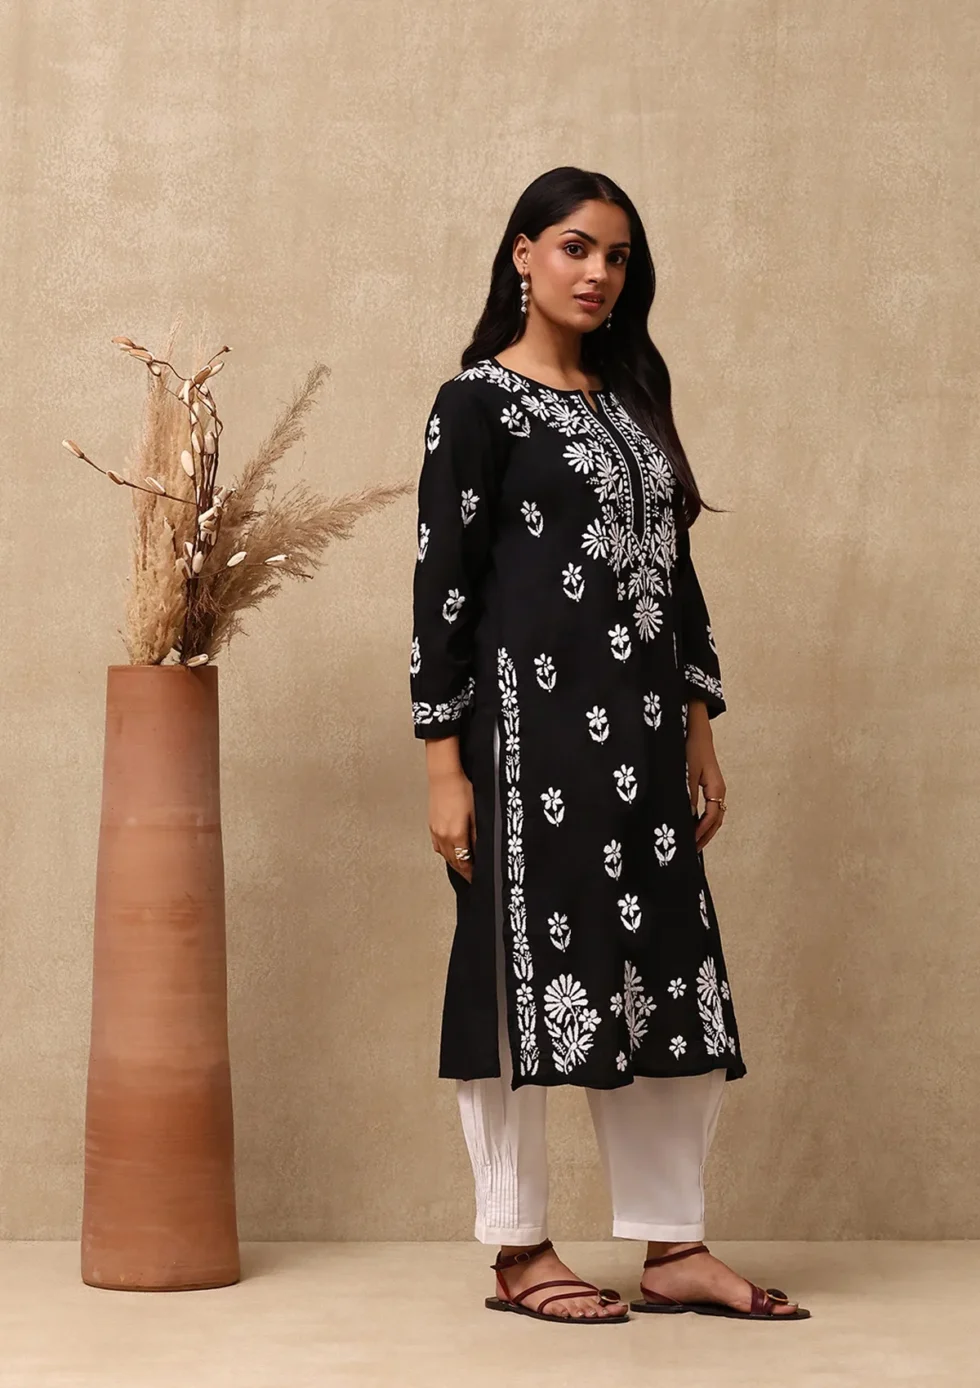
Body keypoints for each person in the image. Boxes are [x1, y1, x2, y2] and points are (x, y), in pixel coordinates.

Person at [409, 167, 809, 1325]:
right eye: (575, 247)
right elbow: (440, 588)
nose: (597, 273)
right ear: (522, 254)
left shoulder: (633, 398)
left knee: (664, 975)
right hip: (525, 747)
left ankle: (673, 1243)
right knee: (516, 980)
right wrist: (443, 766)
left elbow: (674, 577)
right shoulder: (474, 404)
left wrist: (697, 727)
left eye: (617, 256)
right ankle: (518, 1247)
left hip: (639, 746)